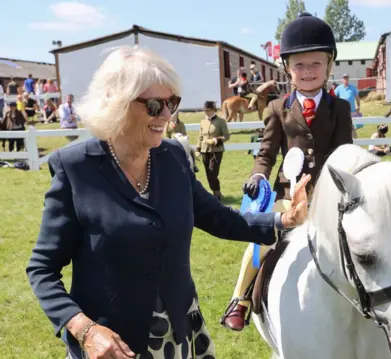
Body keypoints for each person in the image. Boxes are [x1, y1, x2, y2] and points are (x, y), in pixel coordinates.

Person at [25, 45, 311, 359]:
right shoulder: (75, 167)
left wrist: (283, 220)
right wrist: (84, 329)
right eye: (154, 104)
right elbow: (42, 268)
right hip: (112, 346)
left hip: (181, 334)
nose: (167, 115)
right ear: (117, 103)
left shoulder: (173, 157)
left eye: (172, 102)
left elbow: (217, 217)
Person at [221, 12, 354, 332]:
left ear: (329, 65)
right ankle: (238, 299)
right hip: (287, 196)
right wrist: (257, 176)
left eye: (315, 64)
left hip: (328, 193)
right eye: (300, 65)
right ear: (287, 68)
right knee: (262, 241)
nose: (308, 72)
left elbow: (345, 151)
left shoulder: (340, 109)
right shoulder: (277, 108)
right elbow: (266, 152)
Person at [196, 101, 229, 200]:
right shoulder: (202, 122)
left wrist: (216, 140)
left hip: (216, 151)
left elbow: (226, 136)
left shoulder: (221, 121)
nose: (207, 112)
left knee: (213, 172)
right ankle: (215, 192)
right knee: (208, 174)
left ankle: (217, 193)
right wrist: (198, 149)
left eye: (209, 110)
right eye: (205, 111)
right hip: (204, 151)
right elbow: (200, 137)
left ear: (213, 110)